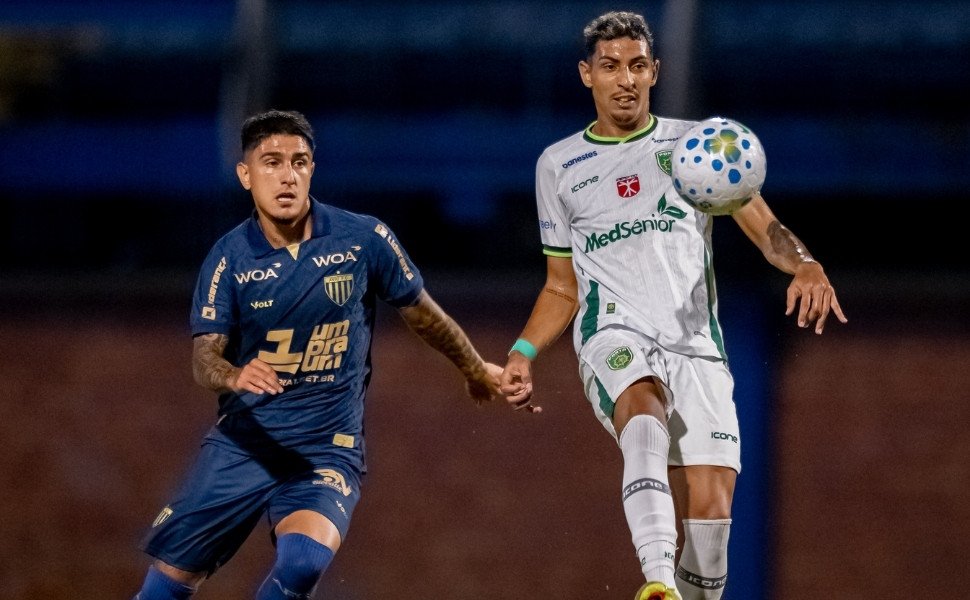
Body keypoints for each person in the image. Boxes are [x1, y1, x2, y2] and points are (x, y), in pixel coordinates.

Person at [500, 10, 847, 600]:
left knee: (710, 531)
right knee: (643, 411)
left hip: (695, 347)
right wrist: (523, 352)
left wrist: (807, 263)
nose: (625, 79)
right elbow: (562, 285)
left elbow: (766, 230)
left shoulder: (698, 145)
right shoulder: (558, 165)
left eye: (637, 65)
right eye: (610, 67)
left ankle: (682, 588)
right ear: (588, 75)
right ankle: (656, 583)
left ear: (655, 70)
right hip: (613, 331)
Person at [132, 109, 505, 600]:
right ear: (245, 175)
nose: (287, 175)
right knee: (167, 587)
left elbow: (425, 314)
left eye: (299, 161)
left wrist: (476, 370)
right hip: (244, 446)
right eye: (270, 162)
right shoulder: (228, 258)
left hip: (326, 449)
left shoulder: (362, 238)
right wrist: (235, 375)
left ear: (312, 168)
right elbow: (204, 360)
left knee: (304, 563)